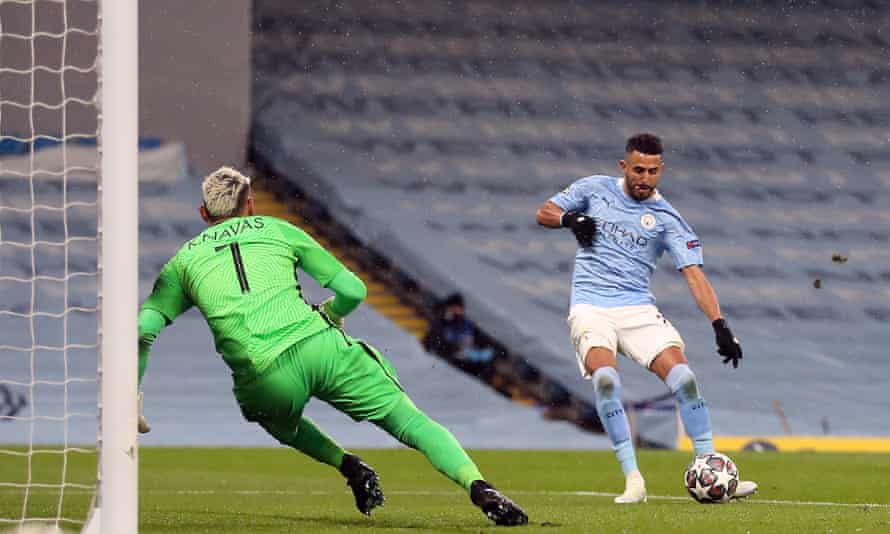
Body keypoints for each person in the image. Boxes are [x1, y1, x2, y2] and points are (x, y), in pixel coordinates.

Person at [137, 167, 528, 526]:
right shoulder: (278, 230)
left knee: (279, 423)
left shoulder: (183, 262)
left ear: (203, 214)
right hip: (320, 344)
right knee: (410, 422)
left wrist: (130, 393)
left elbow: (142, 331)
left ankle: (348, 465)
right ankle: (478, 486)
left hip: (264, 374)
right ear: (251, 205)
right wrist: (330, 313)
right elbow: (353, 290)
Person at [535, 133, 758, 504]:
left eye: (652, 171)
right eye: (638, 169)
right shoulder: (594, 188)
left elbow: (694, 275)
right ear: (624, 166)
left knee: (684, 378)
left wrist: (720, 325)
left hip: (637, 309)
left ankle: (711, 468)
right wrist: (569, 219)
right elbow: (543, 212)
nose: (644, 177)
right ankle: (633, 480)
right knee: (606, 380)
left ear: (661, 171)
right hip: (591, 307)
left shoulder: (668, 218)